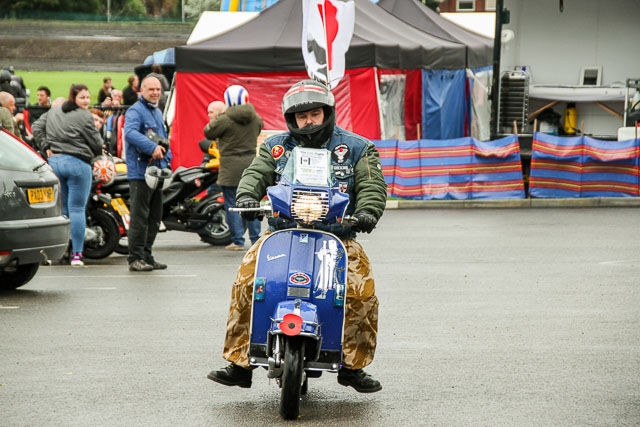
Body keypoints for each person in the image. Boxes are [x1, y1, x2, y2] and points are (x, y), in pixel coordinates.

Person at [206, 79, 387, 393]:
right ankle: (240, 363)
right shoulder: (276, 146)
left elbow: (372, 185)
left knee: (361, 292)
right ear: (292, 118)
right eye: (302, 116)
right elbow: (256, 172)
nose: (309, 121)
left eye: (315, 113)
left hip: (338, 239)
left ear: (326, 112)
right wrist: (247, 196)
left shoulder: (358, 147)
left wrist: (369, 211)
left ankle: (352, 366)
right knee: (246, 283)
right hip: (282, 233)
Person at [32, 84, 104, 267]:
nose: (86, 101)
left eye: (88, 97)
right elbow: (96, 143)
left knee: (62, 211)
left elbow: (36, 127)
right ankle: (77, 255)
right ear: (74, 98)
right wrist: (94, 150)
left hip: (55, 163)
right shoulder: (85, 116)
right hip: (78, 164)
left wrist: (46, 146)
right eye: (82, 98)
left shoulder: (54, 112)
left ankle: (59, 252)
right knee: (77, 209)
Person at [203, 85, 263, 251]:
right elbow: (258, 130)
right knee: (252, 203)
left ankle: (237, 241)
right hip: (251, 164)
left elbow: (208, 132)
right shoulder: (256, 118)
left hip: (230, 166)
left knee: (232, 203)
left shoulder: (225, 119)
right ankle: (256, 240)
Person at [123, 76, 172, 272]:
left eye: (158, 89)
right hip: (141, 173)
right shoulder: (135, 110)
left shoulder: (157, 111)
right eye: (151, 89)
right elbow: (130, 133)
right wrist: (152, 148)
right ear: (141, 91)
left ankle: (146, 255)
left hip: (157, 173)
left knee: (154, 217)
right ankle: (135, 257)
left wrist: (168, 161)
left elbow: (164, 138)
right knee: (140, 217)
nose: (155, 93)